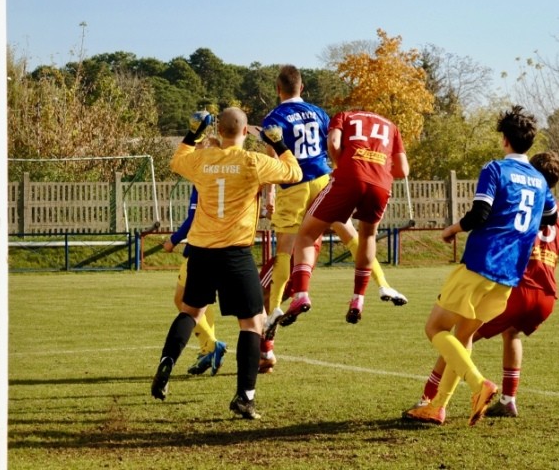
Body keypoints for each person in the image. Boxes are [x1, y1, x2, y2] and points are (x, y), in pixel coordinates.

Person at [406, 151, 559, 422]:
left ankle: (434, 396)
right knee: (507, 335)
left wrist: (454, 229)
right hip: (545, 295)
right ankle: (506, 399)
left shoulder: (511, 192)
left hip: (507, 279)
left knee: (453, 335)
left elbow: (482, 214)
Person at [403, 105, 557, 427]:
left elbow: (479, 216)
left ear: (504, 139)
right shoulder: (541, 182)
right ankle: (438, 407)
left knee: (435, 329)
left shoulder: (495, 169)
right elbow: (551, 217)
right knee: (463, 336)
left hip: (480, 263)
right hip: (509, 275)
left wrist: (451, 230)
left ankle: (478, 384)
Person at [150, 107, 302, 420]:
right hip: (235, 252)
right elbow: (294, 173)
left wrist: (193, 134)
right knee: (252, 323)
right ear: (246, 132)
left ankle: (166, 361)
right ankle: (244, 397)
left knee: (191, 311)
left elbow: (177, 159)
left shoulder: (203, 159)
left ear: (217, 132)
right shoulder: (254, 162)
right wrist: (280, 143)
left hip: (202, 250)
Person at [256, 66, 406, 372]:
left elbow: (273, 159)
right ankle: (382, 282)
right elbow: (332, 144)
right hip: (324, 177)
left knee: (287, 246)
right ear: (303, 86)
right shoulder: (319, 112)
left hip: (293, 181)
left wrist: (268, 195)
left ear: (278, 88)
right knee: (352, 232)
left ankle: (275, 310)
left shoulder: (274, 118)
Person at [264, 107, 408, 332]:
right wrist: (376, 166)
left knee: (301, 238)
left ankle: (291, 300)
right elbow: (403, 169)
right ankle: (366, 294)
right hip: (373, 181)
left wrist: (346, 165)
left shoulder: (344, 116)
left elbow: (332, 143)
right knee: (363, 236)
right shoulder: (390, 125)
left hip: (301, 182)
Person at [162, 181, 227, 376]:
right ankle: (208, 348)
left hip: (201, 249)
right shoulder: (218, 175)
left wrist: (172, 241)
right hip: (222, 246)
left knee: (184, 301)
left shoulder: (202, 180)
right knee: (200, 301)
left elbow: (193, 218)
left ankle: (211, 345)